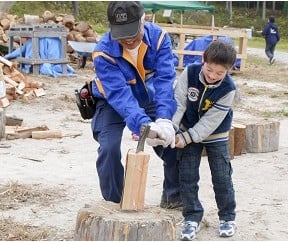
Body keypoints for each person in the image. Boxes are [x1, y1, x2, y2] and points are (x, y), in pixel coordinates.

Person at [90, 1, 182, 209]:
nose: (129, 39)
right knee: (109, 148)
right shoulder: (102, 52)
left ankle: (174, 197)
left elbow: (165, 81)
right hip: (111, 102)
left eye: (132, 32)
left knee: (171, 141)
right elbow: (119, 96)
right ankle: (117, 201)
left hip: (147, 96)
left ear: (143, 21)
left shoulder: (159, 39)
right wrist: (142, 125)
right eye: (121, 34)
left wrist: (164, 119)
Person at [172, 40, 238, 241]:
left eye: (219, 73)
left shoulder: (228, 89)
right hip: (187, 128)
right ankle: (192, 217)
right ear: (203, 60)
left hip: (215, 134)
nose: (212, 76)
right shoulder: (190, 72)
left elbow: (210, 122)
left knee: (222, 176)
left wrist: (187, 137)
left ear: (229, 70)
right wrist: (170, 129)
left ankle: (227, 217)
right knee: (187, 175)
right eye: (209, 70)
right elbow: (179, 103)